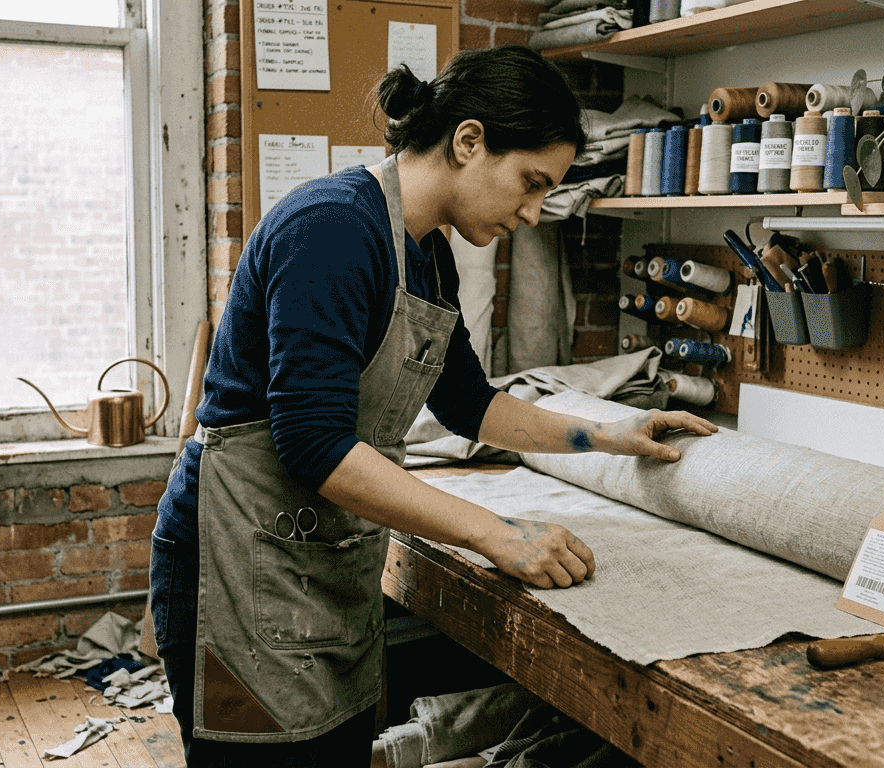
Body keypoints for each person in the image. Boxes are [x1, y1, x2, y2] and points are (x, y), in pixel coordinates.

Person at [149, 43, 717, 767]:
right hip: (240, 553)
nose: (534, 213)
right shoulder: (331, 229)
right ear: (469, 141)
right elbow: (314, 444)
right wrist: (493, 534)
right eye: (531, 183)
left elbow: (470, 405)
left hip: (318, 553)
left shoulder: (426, 254)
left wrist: (610, 434)